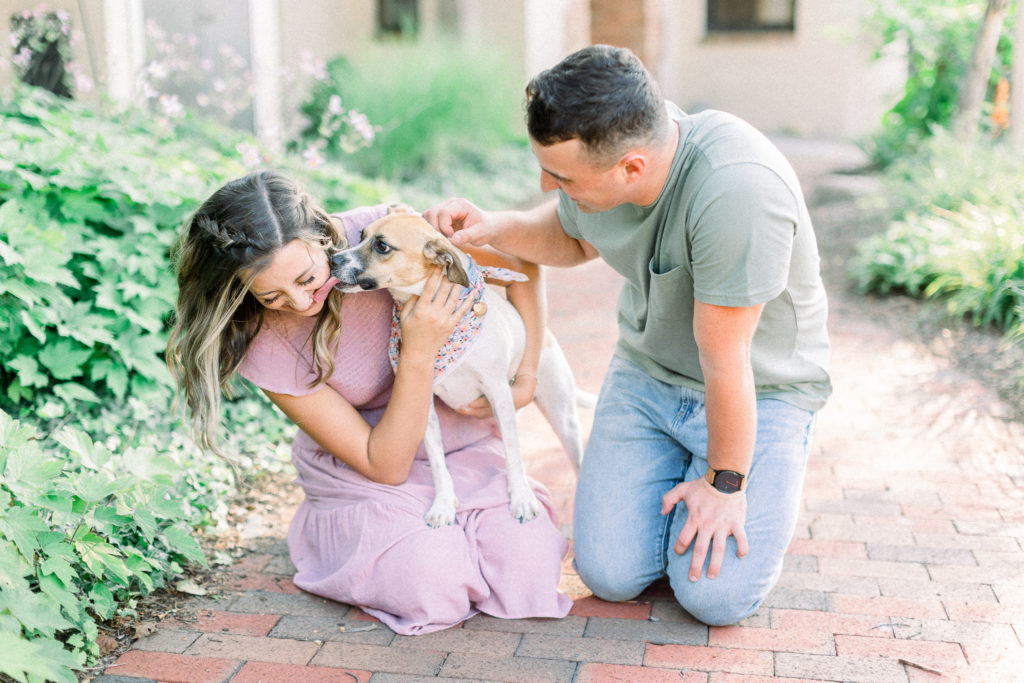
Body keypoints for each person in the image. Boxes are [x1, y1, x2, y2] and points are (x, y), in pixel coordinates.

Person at [424, 44, 832, 626]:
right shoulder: (618, 151)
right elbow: (571, 237)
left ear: (632, 168)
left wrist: (724, 484)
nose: (544, 184)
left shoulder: (735, 190)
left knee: (714, 601)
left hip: (760, 390)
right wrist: (496, 227)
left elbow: (726, 360)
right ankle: (676, 489)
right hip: (650, 377)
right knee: (611, 575)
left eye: (560, 175)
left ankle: (729, 477)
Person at [166, 170, 572, 635]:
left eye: (307, 277)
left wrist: (527, 376)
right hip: (371, 464)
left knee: (530, 567)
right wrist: (419, 349)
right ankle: (362, 542)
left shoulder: (383, 235)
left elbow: (520, 269)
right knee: (432, 582)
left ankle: (463, 536)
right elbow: (386, 464)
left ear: (324, 238)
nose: (300, 303)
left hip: (459, 441)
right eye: (272, 295)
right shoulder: (261, 341)